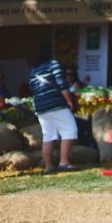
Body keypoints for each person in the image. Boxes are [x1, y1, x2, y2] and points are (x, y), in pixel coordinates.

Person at [29, 45, 79, 173]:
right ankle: (64, 162)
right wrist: (68, 100)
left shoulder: (33, 71)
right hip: (55, 103)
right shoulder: (53, 64)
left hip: (40, 106)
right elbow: (61, 84)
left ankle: (49, 166)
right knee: (70, 129)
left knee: (48, 135)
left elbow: (33, 89)